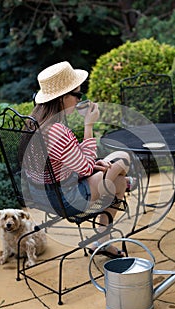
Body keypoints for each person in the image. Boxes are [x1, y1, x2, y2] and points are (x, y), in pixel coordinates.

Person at [27, 61, 132, 258]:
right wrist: (88, 125)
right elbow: (84, 169)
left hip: (42, 195)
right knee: (122, 162)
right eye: (77, 95)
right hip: (65, 200)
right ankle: (102, 238)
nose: (79, 100)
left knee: (117, 171)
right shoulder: (58, 131)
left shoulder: (34, 124)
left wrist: (92, 165)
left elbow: (73, 161)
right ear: (62, 98)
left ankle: (102, 242)